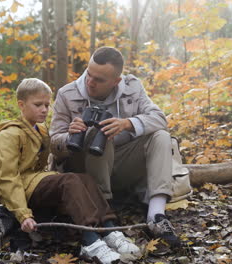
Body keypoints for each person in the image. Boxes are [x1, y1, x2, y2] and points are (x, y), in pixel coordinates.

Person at [0, 78, 140, 264]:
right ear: (21, 104)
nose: (44, 109)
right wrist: (23, 214)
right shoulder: (8, 135)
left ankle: (109, 230)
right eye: (38, 105)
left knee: (84, 179)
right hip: (19, 189)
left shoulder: (40, 130)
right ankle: (90, 242)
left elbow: (42, 163)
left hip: (34, 182)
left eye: (47, 104)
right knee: (69, 181)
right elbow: (7, 178)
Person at [49, 47, 181, 248]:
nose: (90, 82)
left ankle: (156, 215)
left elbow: (160, 119)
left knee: (161, 136)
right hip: (85, 172)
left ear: (116, 81)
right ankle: (105, 210)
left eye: (99, 80)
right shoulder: (67, 94)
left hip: (122, 163)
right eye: (88, 74)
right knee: (98, 133)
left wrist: (127, 123)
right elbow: (52, 144)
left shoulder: (132, 87)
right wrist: (71, 135)